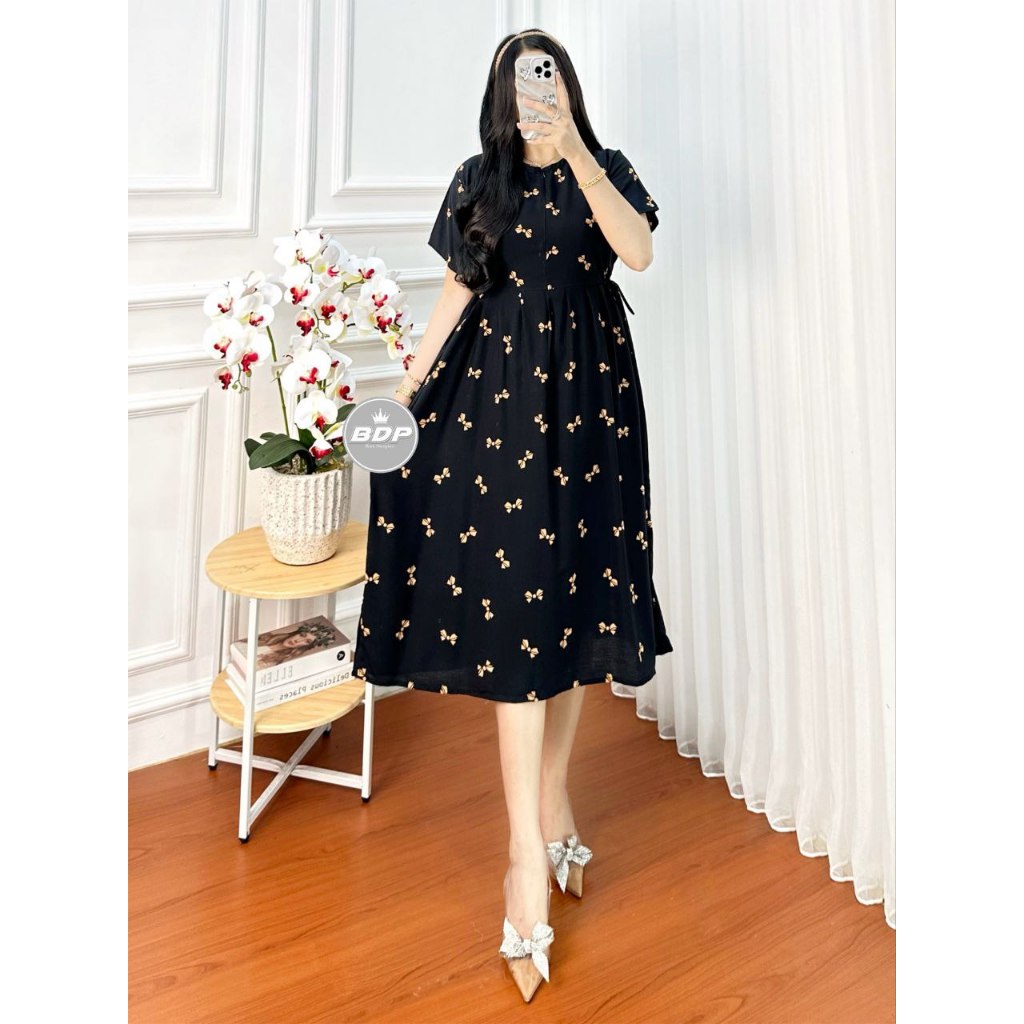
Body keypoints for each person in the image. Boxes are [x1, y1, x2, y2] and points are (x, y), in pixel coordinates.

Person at [351, 27, 673, 1001]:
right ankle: (523, 856)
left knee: (572, 612)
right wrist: (407, 388)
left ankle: (554, 796)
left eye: (551, 76)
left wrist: (575, 149)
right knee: (522, 611)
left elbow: (637, 251)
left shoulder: (605, 168)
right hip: (501, 413)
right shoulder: (478, 183)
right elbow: (456, 292)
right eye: (524, 81)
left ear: (567, 87)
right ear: (503, 96)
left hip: (593, 411)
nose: (538, 92)